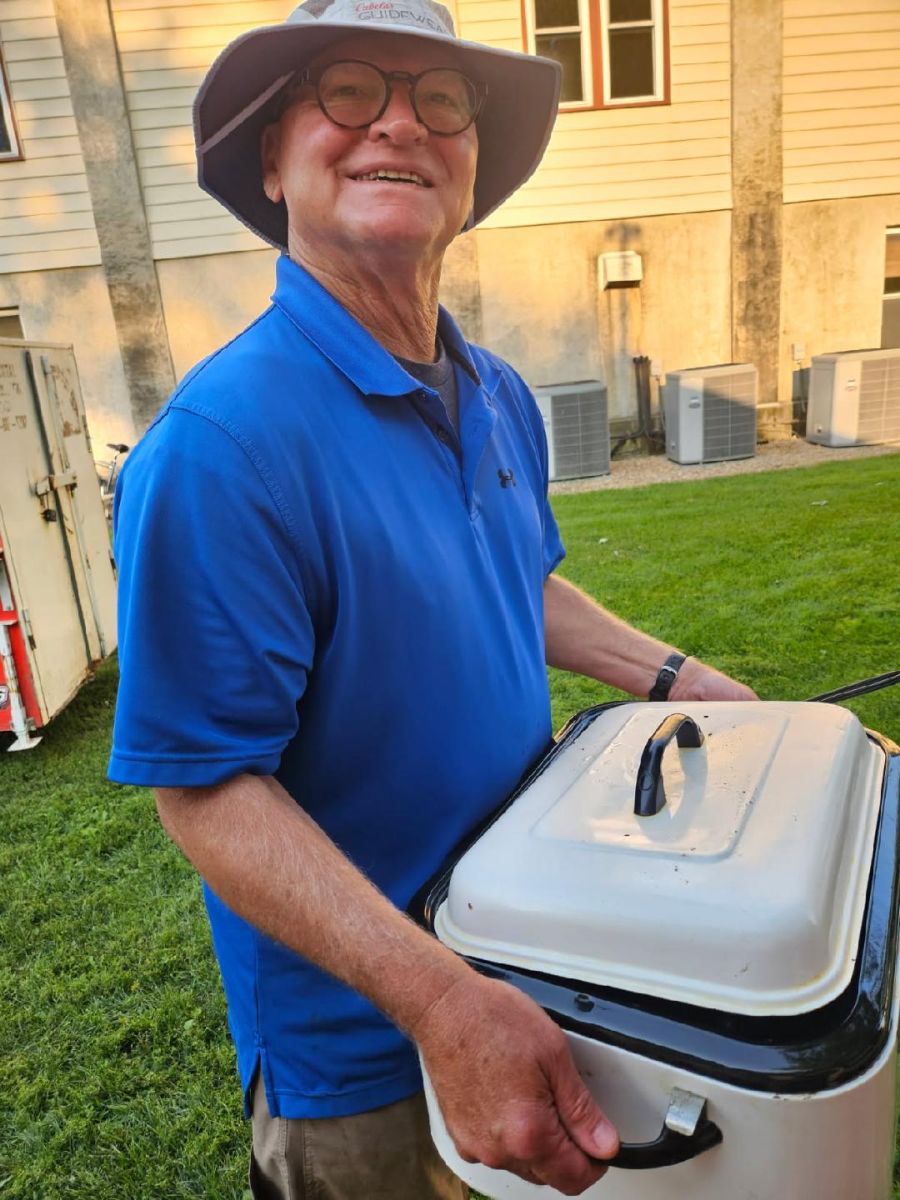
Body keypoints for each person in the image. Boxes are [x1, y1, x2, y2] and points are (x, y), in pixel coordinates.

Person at [108, 2, 756, 1196]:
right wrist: (441, 1001)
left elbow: (516, 579)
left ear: (468, 160)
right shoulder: (219, 446)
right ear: (271, 156)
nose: (399, 122)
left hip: (538, 949)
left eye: (440, 100)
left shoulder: (494, 387)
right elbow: (203, 789)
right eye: (347, 88)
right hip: (374, 1049)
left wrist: (682, 679)